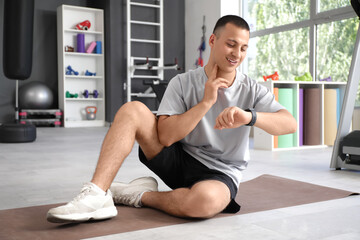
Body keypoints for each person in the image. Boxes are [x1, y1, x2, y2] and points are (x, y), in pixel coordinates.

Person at [47, 15, 297, 223]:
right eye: (231, 44)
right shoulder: (182, 82)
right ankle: (97, 194)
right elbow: (165, 136)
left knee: (204, 203)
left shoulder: (251, 89)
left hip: (221, 173)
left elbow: (290, 123)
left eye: (243, 48)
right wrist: (205, 103)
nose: (237, 54)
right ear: (213, 40)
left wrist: (248, 116)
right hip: (178, 158)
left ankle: (139, 195)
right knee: (133, 109)